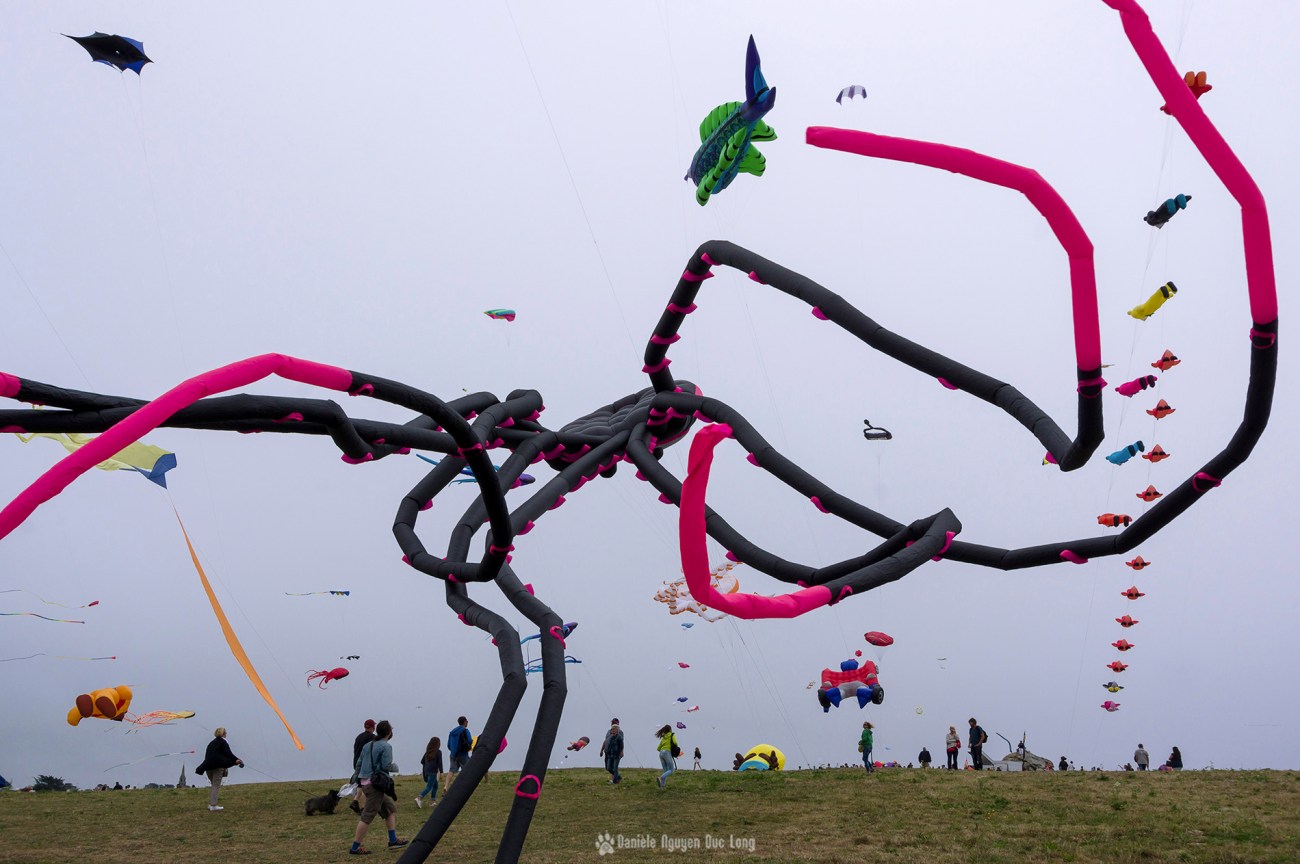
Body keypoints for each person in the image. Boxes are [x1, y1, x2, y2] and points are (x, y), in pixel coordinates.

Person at [351, 720, 407, 855]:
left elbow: (359, 763)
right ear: (389, 732)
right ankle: (355, 847)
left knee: (390, 809)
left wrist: (355, 778)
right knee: (367, 816)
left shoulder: (368, 745)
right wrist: (395, 767)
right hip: (375, 785)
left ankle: (393, 840)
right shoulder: (386, 747)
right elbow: (386, 766)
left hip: (365, 783)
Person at [195, 726, 243, 812]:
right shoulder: (223, 742)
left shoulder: (211, 743)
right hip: (217, 767)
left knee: (214, 785)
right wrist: (236, 760)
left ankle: (212, 804)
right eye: (225, 732)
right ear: (223, 734)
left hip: (208, 768)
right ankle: (213, 805)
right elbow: (228, 753)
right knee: (216, 786)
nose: (226, 734)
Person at [350, 719, 377, 814]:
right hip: (365, 765)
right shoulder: (372, 738)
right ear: (373, 727)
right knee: (366, 785)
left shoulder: (359, 737)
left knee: (360, 785)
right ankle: (363, 808)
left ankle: (355, 801)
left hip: (356, 763)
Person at [446, 716, 473, 789]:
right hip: (462, 753)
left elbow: (448, 744)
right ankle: (465, 786)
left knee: (451, 770)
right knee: (467, 769)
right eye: (467, 721)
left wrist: (453, 750)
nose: (467, 722)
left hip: (453, 753)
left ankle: (446, 786)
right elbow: (470, 741)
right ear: (464, 722)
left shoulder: (452, 732)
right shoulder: (465, 730)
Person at [415, 736, 442, 808]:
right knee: (429, 786)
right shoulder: (438, 752)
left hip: (427, 771)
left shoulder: (427, 753)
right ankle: (419, 798)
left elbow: (422, 761)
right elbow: (440, 763)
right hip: (433, 771)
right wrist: (441, 772)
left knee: (435, 785)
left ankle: (433, 802)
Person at [599, 719, 624, 785]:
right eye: (612, 723)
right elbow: (606, 741)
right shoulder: (608, 732)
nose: (613, 724)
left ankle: (614, 780)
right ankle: (618, 777)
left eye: (614, 723)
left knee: (614, 767)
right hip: (608, 752)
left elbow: (621, 743)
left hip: (616, 753)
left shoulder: (620, 732)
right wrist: (602, 750)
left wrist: (621, 752)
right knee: (608, 767)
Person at [654, 724, 679, 789]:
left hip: (661, 753)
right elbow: (675, 742)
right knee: (671, 769)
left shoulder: (664, 737)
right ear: (670, 729)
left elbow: (658, 748)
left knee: (665, 770)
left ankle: (662, 786)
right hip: (667, 752)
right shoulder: (672, 734)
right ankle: (660, 777)